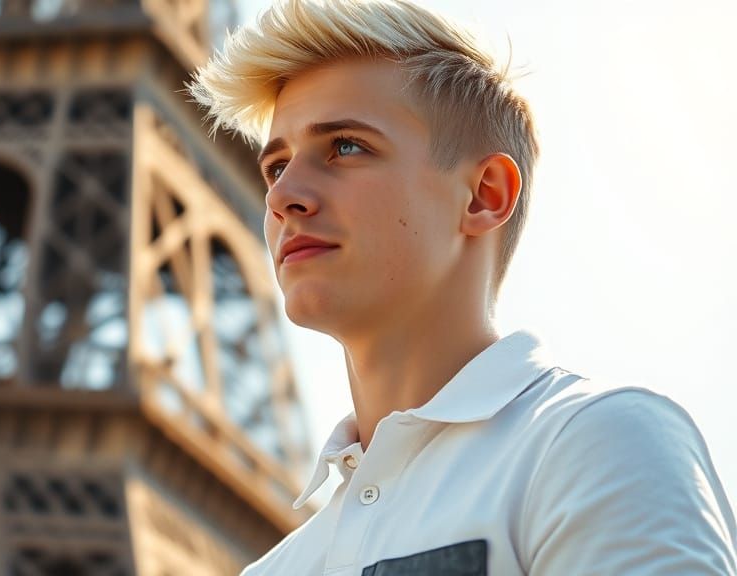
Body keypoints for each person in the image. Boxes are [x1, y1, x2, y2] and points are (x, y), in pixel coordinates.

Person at [187, 0, 737, 574]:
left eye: (346, 146)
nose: (281, 196)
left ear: (484, 194)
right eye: (275, 167)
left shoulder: (597, 443)